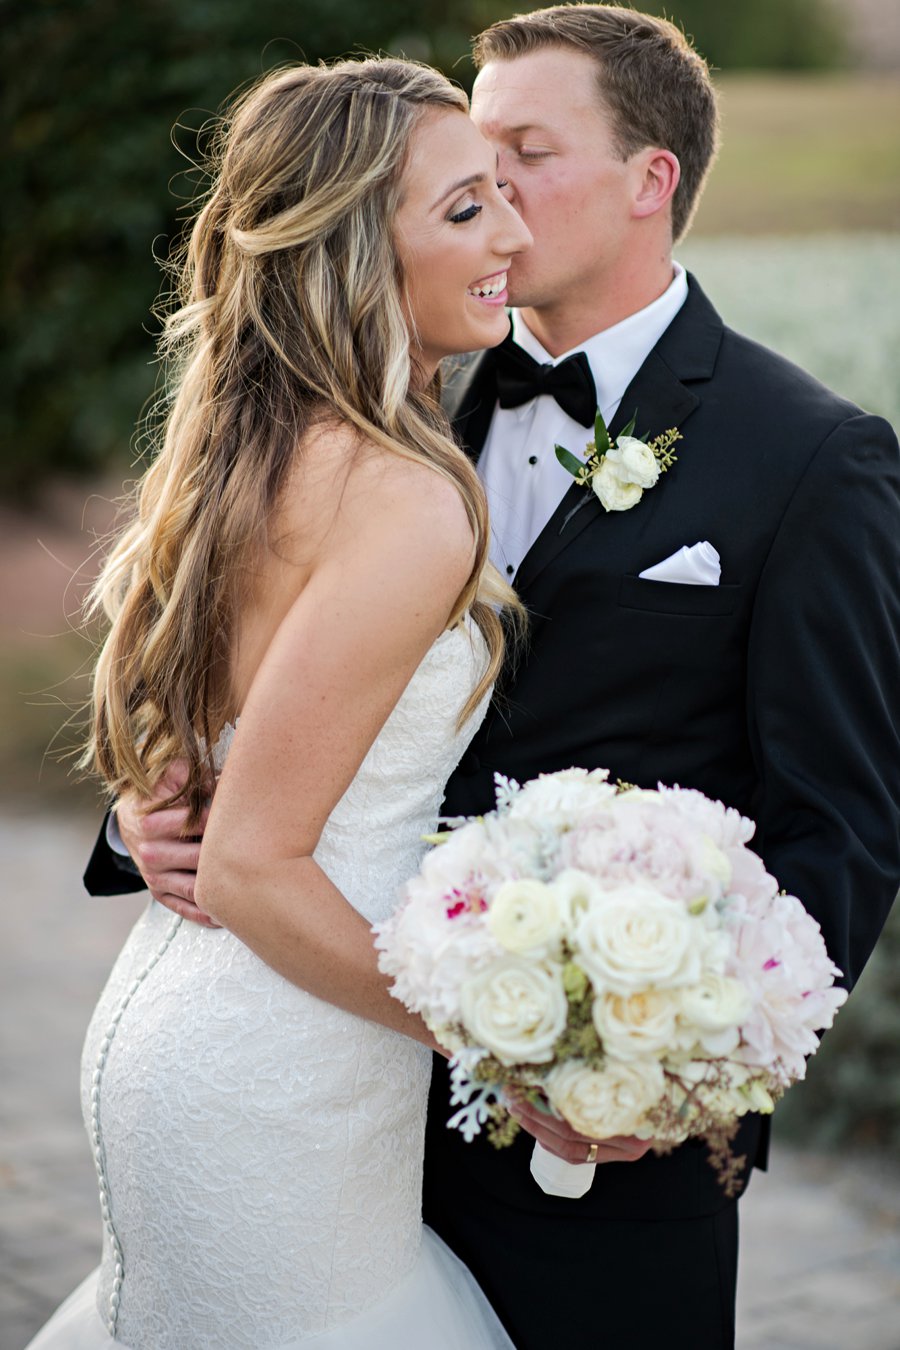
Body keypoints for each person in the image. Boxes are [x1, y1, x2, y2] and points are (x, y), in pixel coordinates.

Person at [84, 7, 900, 1349]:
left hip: (592, 1157)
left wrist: (678, 1066)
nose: (496, 192)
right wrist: (146, 823)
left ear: (655, 181)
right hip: (326, 1091)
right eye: (478, 160)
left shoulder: (807, 457)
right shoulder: (395, 384)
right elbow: (241, 681)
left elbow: (845, 824)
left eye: (527, 148)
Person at [30, 56, 533, 1350]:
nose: (513, 235)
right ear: (362, 245)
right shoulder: (406, 496)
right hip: (277, 1074)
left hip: (207, 1030)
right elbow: (254, 860)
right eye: (467, 207)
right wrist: (508, 1049)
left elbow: (226, 782)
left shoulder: (251, 449)